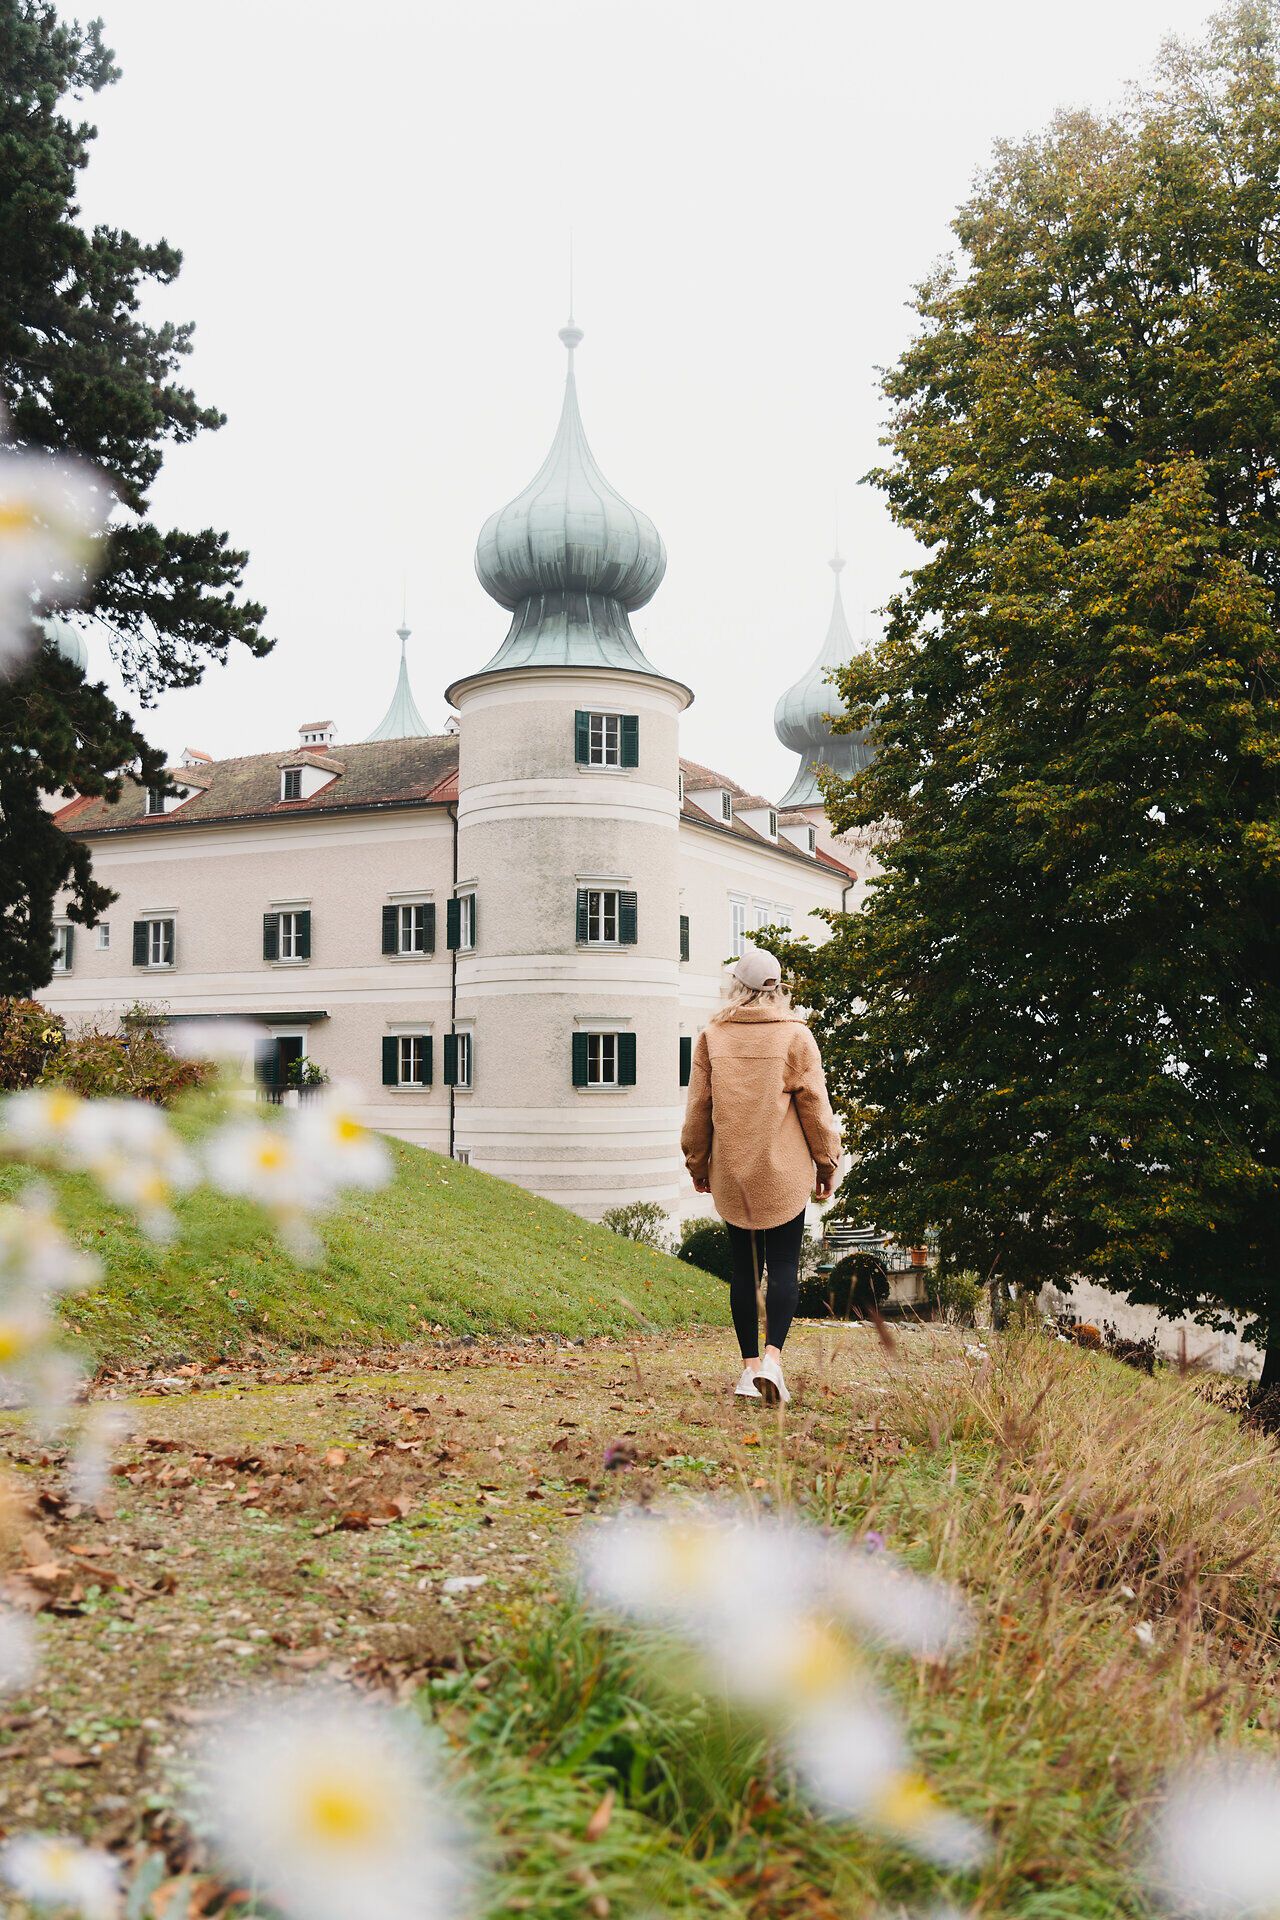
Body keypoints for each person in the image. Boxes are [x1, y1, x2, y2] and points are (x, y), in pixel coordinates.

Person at [680, 944, 841, 1405]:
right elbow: (815, 1108)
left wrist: (697, 1161)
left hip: (732, 1170)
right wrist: (827, 1165)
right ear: (777, 990)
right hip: (784, 1172)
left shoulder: (713, 1035)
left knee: (744, 1270)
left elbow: (698, 1109)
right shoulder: (796, 1036)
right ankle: (773, 1360)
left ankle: (749, 1370)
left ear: (737, 986)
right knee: (785, 1265)